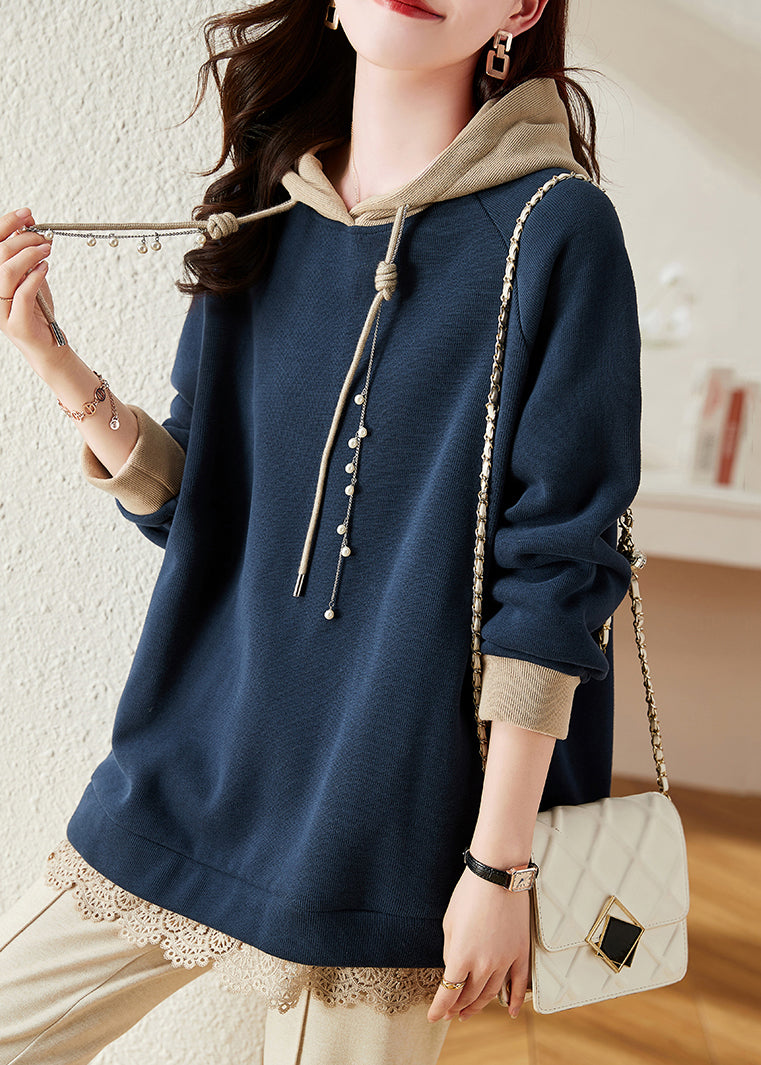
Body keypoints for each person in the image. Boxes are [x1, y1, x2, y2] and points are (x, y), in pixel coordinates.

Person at [0, 0, 642, 1062]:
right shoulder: (262, 207)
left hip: (394, 822)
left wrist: (498, 866)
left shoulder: (555, 229)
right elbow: (199, 511)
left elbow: (556, 573)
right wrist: (55, 362)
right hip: (193, 770)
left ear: (520, 9)